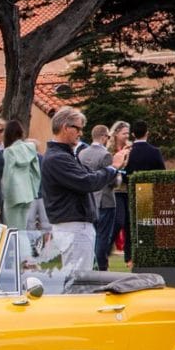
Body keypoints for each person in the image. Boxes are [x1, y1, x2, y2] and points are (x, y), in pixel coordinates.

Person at [41, 106, 126, 272]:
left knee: (81, 280)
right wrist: (112, 167)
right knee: (79, 282)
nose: (80, 133)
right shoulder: (57, 158)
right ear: (66, 127)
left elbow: (89, 177)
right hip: (73, 226)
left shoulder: (65, 155)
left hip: (75, 226)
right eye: (78, 128)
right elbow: (87, 182)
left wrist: (111, 170)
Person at [123, 120, 166, 267]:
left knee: (130, 225)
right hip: (149, 194)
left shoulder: (128, 152)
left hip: (131, 193)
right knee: (149, 225)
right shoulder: (154, 152)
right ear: (147, 133)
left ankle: (129, 257)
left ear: (133, 134)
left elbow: (123, 174)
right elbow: (161, 174)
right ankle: (149, 253)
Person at [78, 125, 118, 270]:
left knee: (90, 236)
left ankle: (90, 263)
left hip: (88, 200)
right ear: (103, 137)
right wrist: (118, 173)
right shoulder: (106, 155)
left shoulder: (82, 154)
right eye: (108, 137)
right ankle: (101, 266)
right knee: (102, 236)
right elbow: (112, 180)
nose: (108, 139)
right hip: (104, 200)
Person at [1, 119, 40, 231]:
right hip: (28, 193)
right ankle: (24, 247)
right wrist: (34, 190)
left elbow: (6, 175)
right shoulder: (31, 148)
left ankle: (19, 248)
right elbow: (36, 172)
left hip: (13, 194)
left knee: (12, 230)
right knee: (22, 228)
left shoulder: (9, 151)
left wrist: (4, 194)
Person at [108, 120, 131, 256]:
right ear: (116, 134)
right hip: (115, 191)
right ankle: (106, 249)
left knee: (129, 224)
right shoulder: (109, 150)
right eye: (124, 133)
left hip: (128, 189)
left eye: (128, 133)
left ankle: (129, 257)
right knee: (118, 221)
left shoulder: (130, 149)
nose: (127, 136)